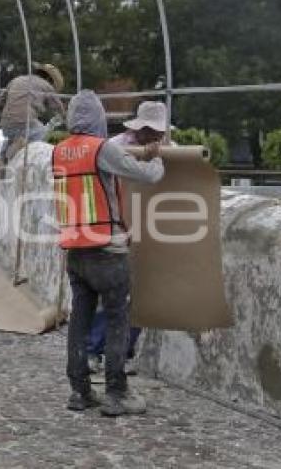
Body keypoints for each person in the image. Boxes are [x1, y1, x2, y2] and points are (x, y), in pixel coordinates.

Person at [52, 89, 164, 416]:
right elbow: (147, 175)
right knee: (118, 318)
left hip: (74, 250)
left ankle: (80, 392)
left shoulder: (58, 151)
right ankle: (117, 393)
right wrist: (156, 155)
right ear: (99, 118)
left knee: (79, 320)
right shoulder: (101, 149)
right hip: (106, 248)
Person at [87, 101, 170, 373]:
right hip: (116, 228)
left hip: (148, 231)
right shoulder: (116, 145)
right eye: (149, 130)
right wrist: (154, 157)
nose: (153, 136)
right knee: (112, 294)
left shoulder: (169, 147)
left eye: (156, 132)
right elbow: (149, 176)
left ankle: (121, 353)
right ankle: (93, 350)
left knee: (141, 295)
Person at [0, 62, 65, 166]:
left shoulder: (17, 80)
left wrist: (5, 115)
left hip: (6, 126)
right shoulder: (47, 86)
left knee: (13, 136)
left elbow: (0, 102)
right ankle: (21, 144)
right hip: (25, 123)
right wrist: (65, 118)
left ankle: (1, 157)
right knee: (44, 132)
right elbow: (59, 108)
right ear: (50, 80)